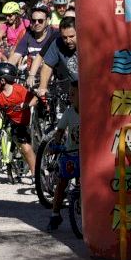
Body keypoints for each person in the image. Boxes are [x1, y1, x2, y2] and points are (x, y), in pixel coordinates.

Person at [0, 62, 37, 185]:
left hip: (20, 122)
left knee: (25, 147)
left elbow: (34, 98)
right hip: (5, 118)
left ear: (2, 81)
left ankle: (36, 174)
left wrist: (26, 105)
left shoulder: (19, 90)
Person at [46, 80, 80, 231]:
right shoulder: (69, 112)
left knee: (85, 182)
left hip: (86, 154)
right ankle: (55, 214)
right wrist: (55, 144)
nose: (70, 97)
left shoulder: (90, 111)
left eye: (73, 94)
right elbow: (60, 131)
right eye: (70, 94)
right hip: (70, 152)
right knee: (62, 183)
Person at [34, 16, 78, 100]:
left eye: (71, 36)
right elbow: (47, 65)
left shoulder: (88, 42)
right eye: (64, 37)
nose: (68, 41)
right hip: (73, 89)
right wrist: (43, 87)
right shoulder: (58, 43)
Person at [11, 4, 56, 77]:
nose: (36, 23)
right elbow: (16, 55)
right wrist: (6, 70)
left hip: (51, 77)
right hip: (31, 76)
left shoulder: (54, 34)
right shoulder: (28, 34)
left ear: (47, 20)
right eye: (34, 21)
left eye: (40, 21)